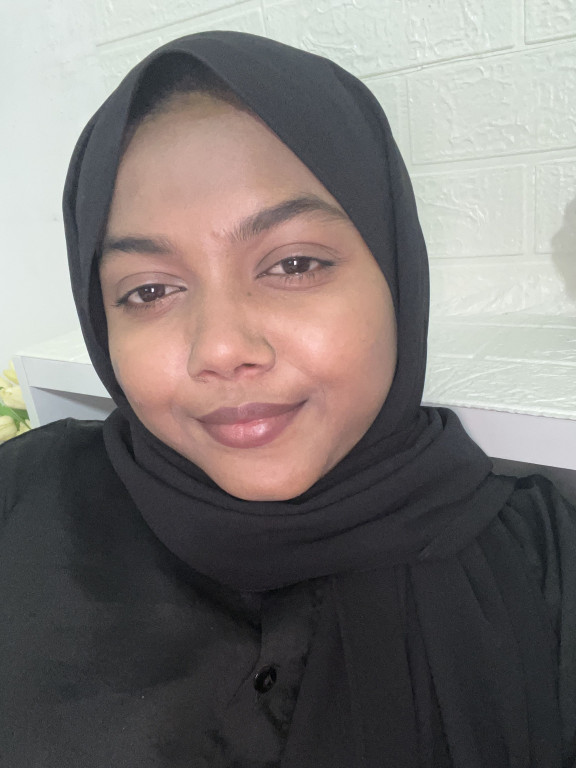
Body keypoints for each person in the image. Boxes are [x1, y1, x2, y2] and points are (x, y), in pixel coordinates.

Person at [1, 31, 575, 768]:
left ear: (396, 271)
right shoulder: (22, 506)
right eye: (149, 291)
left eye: (294, 264)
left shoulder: (545, 565)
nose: (220, 348)